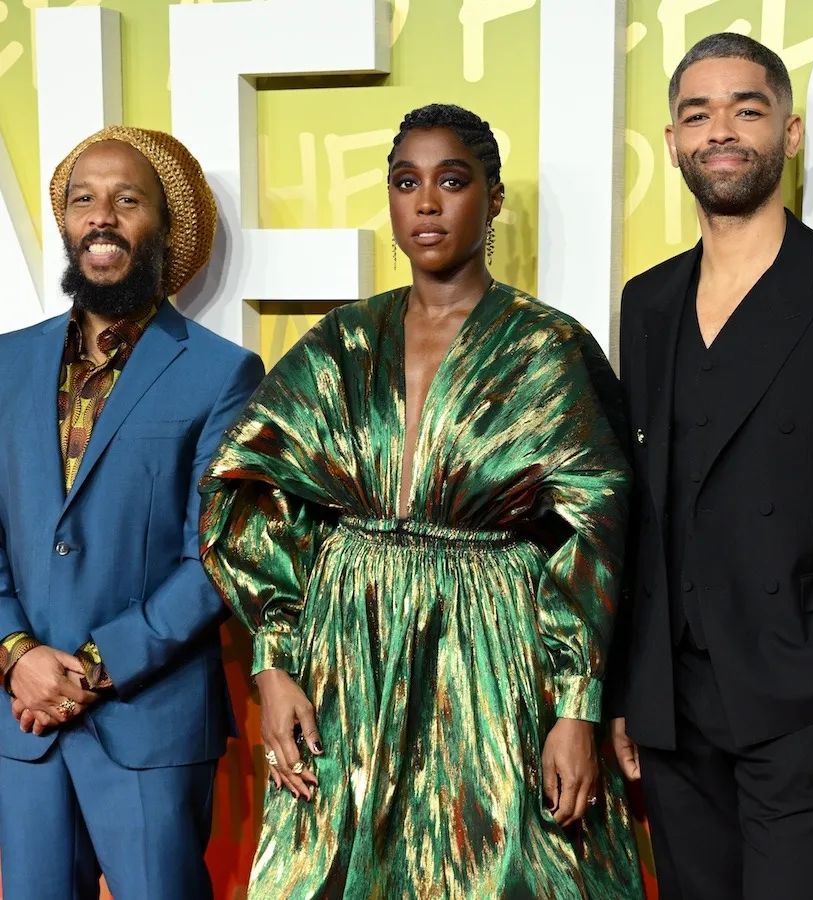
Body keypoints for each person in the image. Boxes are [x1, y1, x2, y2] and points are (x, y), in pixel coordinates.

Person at [199, 103, 643, 899]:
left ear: (494, 198)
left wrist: (576, 705)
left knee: (504, 869)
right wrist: (272, 661)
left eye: (452, 181)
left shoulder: (547, 347)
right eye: (407, 183)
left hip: (492, 657)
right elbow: (251, 489)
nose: (427, 203)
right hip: (347, 652)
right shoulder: (343, 341)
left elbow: (599, 529)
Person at [606, 33, 813, 900]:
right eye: (697, 114)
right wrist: (627, 681)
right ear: (672, 143)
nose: (721, 131)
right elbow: (640, 505)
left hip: (796, 690)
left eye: (747, 109)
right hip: (670, 703)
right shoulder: (648, 301)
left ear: (790, 132)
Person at [0, 125, 264, 899]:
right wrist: (18, 652)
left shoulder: (222, 374)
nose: (101, 216)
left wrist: (91, 666)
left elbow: (217, 556)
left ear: (166, 228)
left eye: (127, 200)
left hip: (149, 723)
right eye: (83, 199)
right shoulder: (6, 363)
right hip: (24, 724)